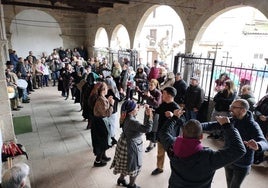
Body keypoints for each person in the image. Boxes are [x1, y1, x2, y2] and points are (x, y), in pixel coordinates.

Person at [159, 109, 246, 188]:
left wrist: (174, 117)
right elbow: (239, 150)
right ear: (201, 136)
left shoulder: (172, 146)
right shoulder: (208, 157)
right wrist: (227, 126)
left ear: (182, 134)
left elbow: (163, 133)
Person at [202, 99, 268, 188]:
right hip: (228, 159)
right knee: (229, 184)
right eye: (231, 106)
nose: (230, 109)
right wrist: (194, 125)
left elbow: (264, 142)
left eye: (233, 107)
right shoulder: (231, 120)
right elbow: (211, 125)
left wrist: (258, 145)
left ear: (243, 110)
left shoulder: (252, 125)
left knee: (234, 186)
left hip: (242, 164)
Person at [110, 100, 153, 188]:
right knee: (134, 167)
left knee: (125, 165)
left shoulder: (125, 116)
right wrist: (150, 116)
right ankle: (131, 185)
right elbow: (147, 129)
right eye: (136, 108)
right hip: (130, 146)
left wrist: (137, 109)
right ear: (131, 111)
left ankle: (121, 179)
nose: (138, 109)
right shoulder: (132, 121)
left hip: (124, 142)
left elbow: (134, 118)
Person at [151, 86, 180, 175]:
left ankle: (177, 170)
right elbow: (157, 111)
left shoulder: (176, 107)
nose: (162, 94)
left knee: (173, 154)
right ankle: (160, 168)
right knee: (160, 152)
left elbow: (182, 121)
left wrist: (173, 115)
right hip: (161, 133)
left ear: (169, 95)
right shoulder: (163, 104)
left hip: (170, 135)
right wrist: (150, 109)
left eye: (164, 93)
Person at [91, 82, 114, 167]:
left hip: (101, 122)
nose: (107, 89)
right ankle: (97, 161)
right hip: (100, 123)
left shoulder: (101, 98)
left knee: (104, 140)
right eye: (106, 88)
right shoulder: (100, 99)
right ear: (103, 90)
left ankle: (103, 156)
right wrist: (111, 104)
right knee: (101, 142)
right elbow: (106, 113)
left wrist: (107, 100)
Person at [136, 79, 162, 152]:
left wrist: (150, 97)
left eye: (152, 85)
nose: (150, 86)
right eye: (149, 84)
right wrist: (138, 90)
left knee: (153, 128)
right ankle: (152, 143)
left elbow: (157, 104)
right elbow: (143, 96)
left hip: (154, 113)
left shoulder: (158, 93)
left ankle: (151, 144)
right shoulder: (148, 91)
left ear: (155, 85)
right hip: (148, 111)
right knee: (147, 126)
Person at [253, 94, 268, 164]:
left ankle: (259, 157)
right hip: (259, 121)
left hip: (266, 124)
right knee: (255, 137)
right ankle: (253, 156)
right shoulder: (265, 97)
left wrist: (266, 118)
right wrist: (260, 115)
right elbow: (256, 108)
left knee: (263, 140)